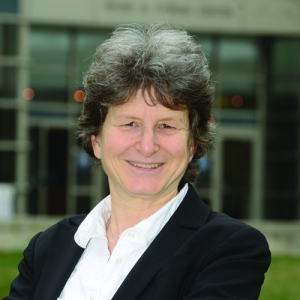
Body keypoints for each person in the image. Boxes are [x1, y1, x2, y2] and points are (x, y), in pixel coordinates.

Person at [4, 23, 270, 300]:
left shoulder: (229, 249)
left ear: (192, 143)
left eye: (166, 126)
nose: (147, 146)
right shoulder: (48, 248)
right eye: (130, 123)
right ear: (96, 139)